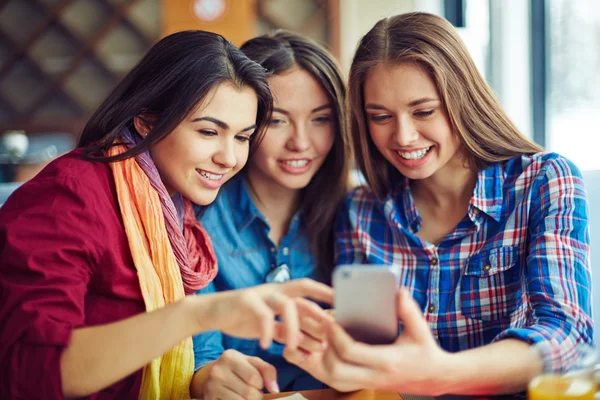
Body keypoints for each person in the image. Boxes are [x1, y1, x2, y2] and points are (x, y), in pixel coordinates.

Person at [0, 30, 334, 400]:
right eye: (209, 131)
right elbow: (27, 373)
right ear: (146, 119)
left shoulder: (177, 206)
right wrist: (198, 314)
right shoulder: (69, 197)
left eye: (242, 137)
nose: (229, 158)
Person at [283, 12, 593, 395]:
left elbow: (568, 336)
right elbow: (362, 355)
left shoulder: (543, 181)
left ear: (462, 97)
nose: (404, 136)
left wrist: (442, 372)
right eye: (380, 116)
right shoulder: (361, 210)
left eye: (424, 111)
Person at [190, 30, 352, 399]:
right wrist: (206, 378)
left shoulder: (357, 213)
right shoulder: (197, 220)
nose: (301, 142)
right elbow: (202, 357)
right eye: (277, 121)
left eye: (321, 119)